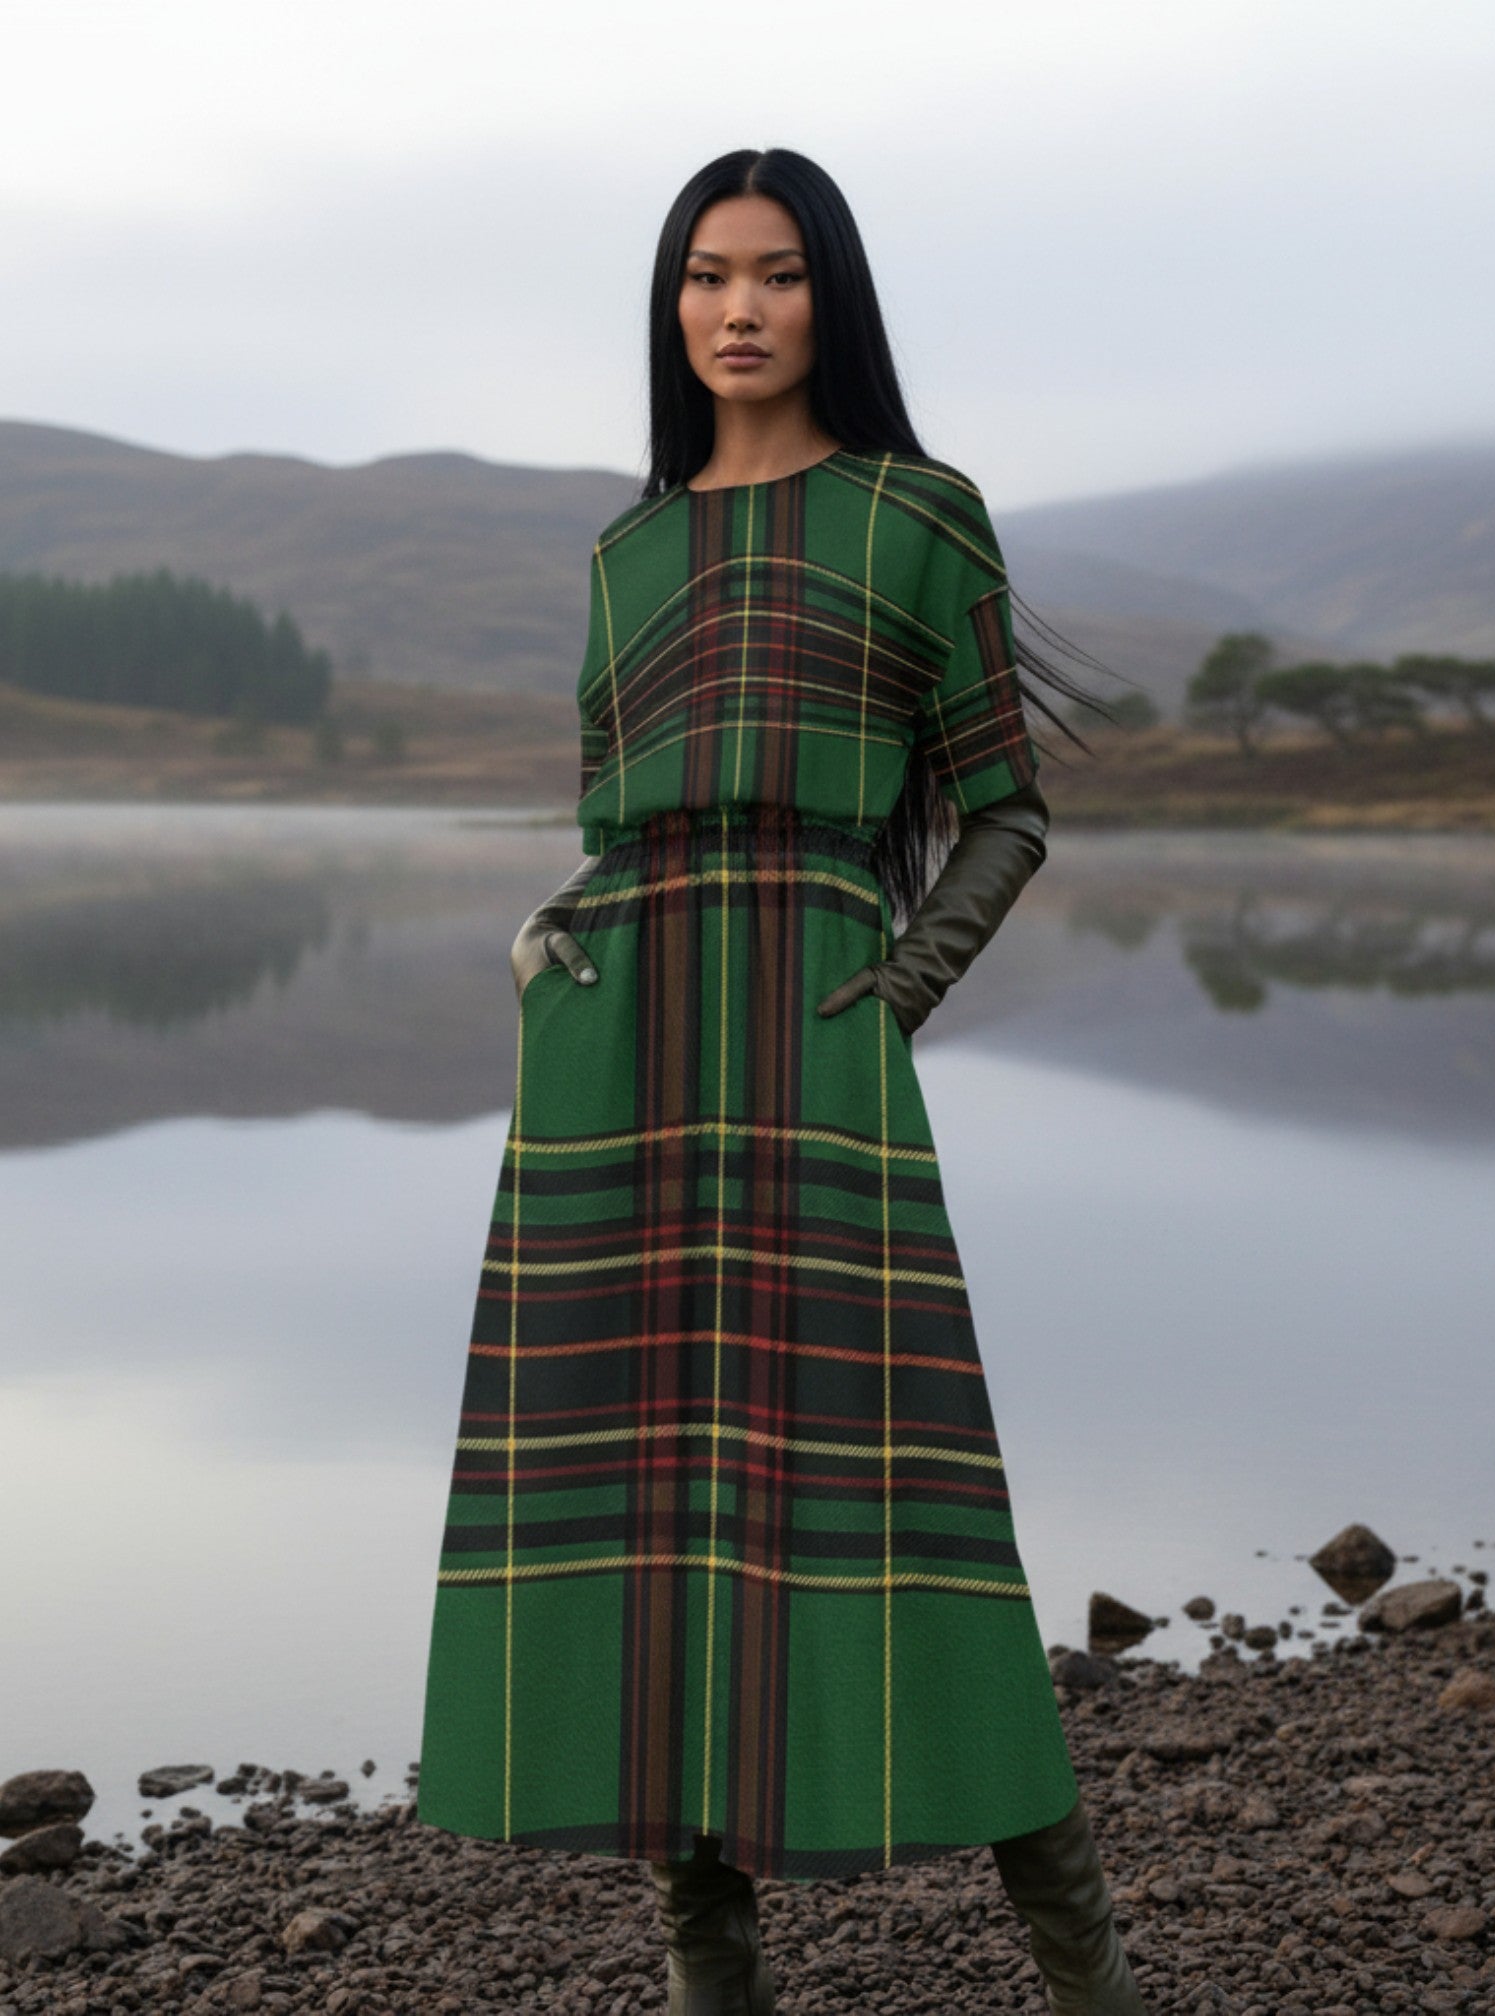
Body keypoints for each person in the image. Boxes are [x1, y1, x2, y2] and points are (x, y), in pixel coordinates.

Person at [416, 146, 1148, 2016]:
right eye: (705, 277)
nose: (739, 308)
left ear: (834, 299)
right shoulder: (622, 556)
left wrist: (897, 989)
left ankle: (1099, 1988)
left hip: (815, 1047)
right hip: (616, 1056)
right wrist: (542, 943)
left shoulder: (923, 514)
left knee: (917, 1517)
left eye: (781, 273)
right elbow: (610, 814)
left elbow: (1008, 808)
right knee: (656, 1542)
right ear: (672, 309)